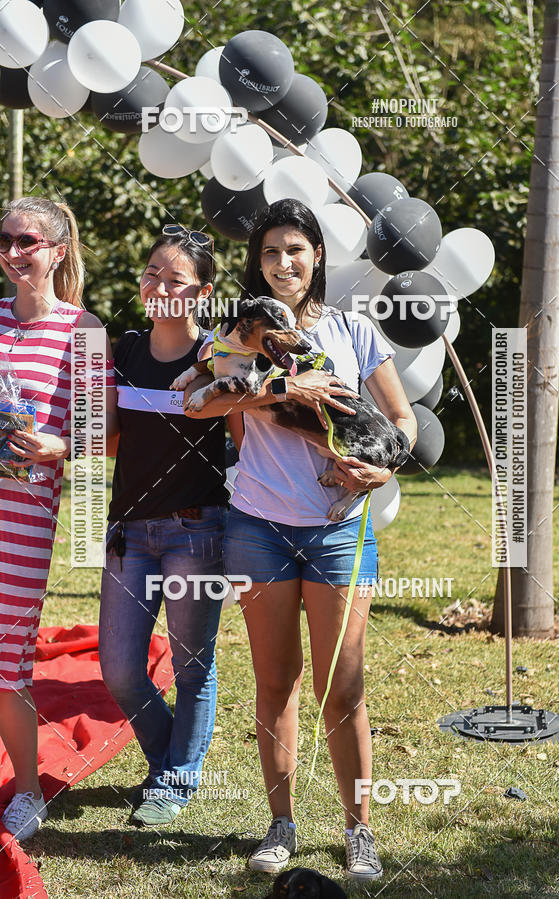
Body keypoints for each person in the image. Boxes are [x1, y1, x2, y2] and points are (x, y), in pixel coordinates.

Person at [184, 199, 417, 881]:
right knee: (274, 681)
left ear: (318, 256)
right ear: (255, 263)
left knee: (342, 687)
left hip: (341, 529)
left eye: (297, 249)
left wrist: (385, 464)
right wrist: (284, 382)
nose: (284, 262)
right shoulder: (236, 339)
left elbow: (400, 419)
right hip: (258, 523)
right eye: (270, 252)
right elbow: (200, 401)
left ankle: (359, 829)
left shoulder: (354, 329)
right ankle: (281, 824)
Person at [99, 226, 241, 827]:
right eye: (152, 273)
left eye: (175, 279)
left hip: (196, 533)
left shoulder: (217, 356)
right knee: (121, 669)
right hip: (130, 533)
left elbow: (242, 445)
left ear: (202, 292)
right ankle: (169, 763)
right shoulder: (123, 350)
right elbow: (105, 441)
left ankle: (176, 779)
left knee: (192, 667)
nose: (159, 285)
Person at [0, 196, 117, 840]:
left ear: (57, 250)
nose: (14, 252)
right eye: (6, 240)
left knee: (7, 657)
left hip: (24, 515)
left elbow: (102, 438)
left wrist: (60, 447)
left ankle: (26, 792)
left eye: (28, 241)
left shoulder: (86, 332)